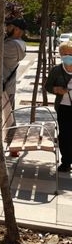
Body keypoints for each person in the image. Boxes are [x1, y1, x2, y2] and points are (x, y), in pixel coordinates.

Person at [0, 18, 27, 156]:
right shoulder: (20, 43)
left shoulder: (12, 45)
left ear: (18, 30)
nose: (6, 28)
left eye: (9, 26)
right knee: (9, 116)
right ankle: (13, 146)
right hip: (8, 86)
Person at [44, 41, 72, 172]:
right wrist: (56, 89)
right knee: (64, 135)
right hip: (63, 107)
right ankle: (66, 162)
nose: (67, 56)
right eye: (64, 54)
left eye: (70, 54)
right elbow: (47, 86)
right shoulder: (56, 70)